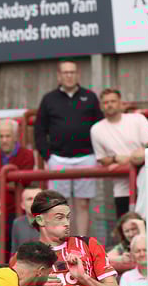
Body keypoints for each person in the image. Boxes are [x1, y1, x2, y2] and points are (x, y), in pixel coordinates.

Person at [34, 60, 103, 237]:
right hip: (58, 159)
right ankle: (61, 243)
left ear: (78, 75)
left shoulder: (90, 97)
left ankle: (81, 243)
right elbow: (39, 130)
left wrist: (97, 154)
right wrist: (47, 156)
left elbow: (101, 127)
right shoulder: (49, 99)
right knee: (57, 207)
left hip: (86, 157)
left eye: (72, 72)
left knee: (82, 204)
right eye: (65, 72)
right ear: (59, 76)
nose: (69, 75)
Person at [90, 88, 148, 217]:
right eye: (106, 102)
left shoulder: (137, 119)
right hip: (121, 188)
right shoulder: (96, 129)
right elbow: (102, 159)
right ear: (101, 106)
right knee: (126, 227)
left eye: (113, 101)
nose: (109, 104)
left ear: (120, 102)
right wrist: (115, 158)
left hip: (147, 182)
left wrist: (127, 159)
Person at [0, 118, 37, 257]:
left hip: (19, 213)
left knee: (20, 254)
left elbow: (23, 183)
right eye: (1, 136)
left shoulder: (27, 155)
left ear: (15, 136)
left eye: (8, 136)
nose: (4, 140)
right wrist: (7, 179)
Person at [9, 187, 42, 255]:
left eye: (37, 199)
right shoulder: (17, 223)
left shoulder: (52, 222)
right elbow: (14, 253)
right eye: (29, 199)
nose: (33, 202)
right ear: (22, 205)